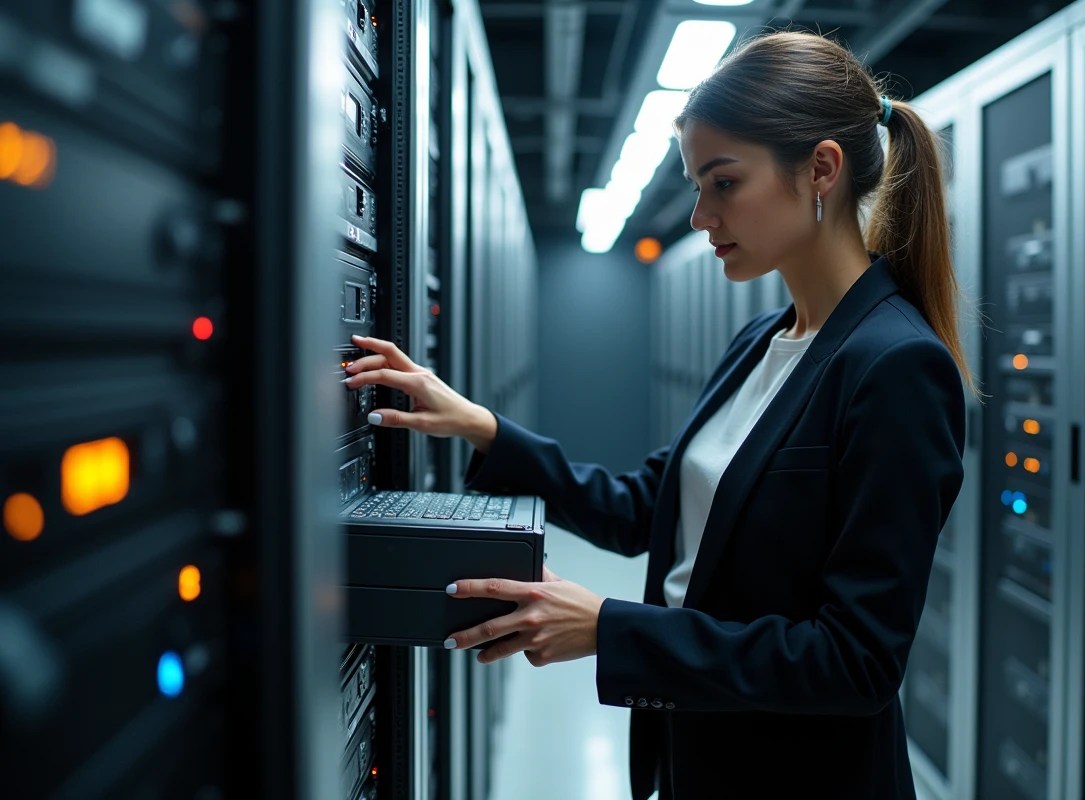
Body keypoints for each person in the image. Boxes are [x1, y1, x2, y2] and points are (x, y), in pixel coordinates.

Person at [343, 29, 970, 800]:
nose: (701, 214)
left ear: (822, 170)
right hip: (700, 756)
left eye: (723, 182)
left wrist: (609, 628)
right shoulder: (763, 340)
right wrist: (483, 427)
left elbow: (856, 661)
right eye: (697, 185)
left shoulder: (897, 367)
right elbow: (650, 508)